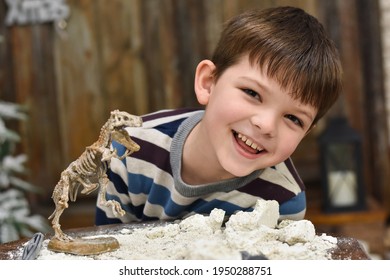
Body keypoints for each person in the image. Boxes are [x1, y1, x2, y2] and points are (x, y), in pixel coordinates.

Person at [95, 6, 342, 225]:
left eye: (293, 119)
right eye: (252, 93)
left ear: (306, 133)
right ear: (208, 83)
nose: (266, 125)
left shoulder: (283, 199)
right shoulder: (130, 150)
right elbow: (107, 253)